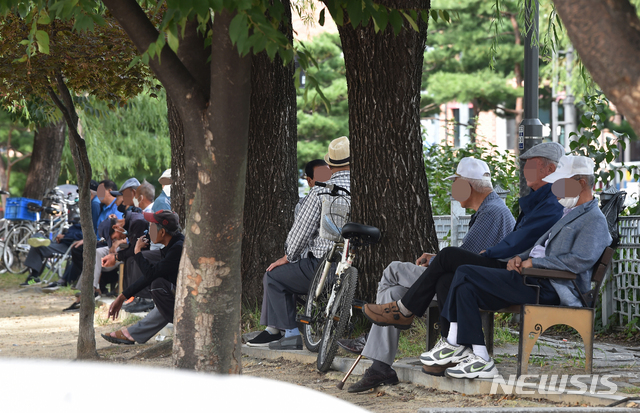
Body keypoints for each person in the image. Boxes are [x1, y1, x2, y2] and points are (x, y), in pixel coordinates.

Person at [360, 142, 565, 388]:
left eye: (532, 166)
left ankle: (402, 313)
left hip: (511, 274)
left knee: (404, 267)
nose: (525, 171)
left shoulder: (505, 208)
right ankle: (389, 359)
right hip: (501, 270)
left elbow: (499, 247)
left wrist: (452, 257)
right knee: (428, 280)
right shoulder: (528, 202)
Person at [416, 155, 611, 379]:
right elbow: (543, 246)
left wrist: (534, 263)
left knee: (465, 271)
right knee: (463, 286)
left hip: (548, 285)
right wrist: (520, 257)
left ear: (581, 182)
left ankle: (452, 341)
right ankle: (481, 357)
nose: (556, 189)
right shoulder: (570, 212)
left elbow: (579, 260)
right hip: (531, 277)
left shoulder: (594, 219)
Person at [341, 157, 515, 393]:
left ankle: (390, 321)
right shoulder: (490, 210)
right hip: (461, 281)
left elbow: (462, 260)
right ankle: (381, 365)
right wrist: (436, 260)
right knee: (393, 292)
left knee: (393, 269)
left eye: (456, 184)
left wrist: (436, 261)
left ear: (468, 186)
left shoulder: (492, 212)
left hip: (467, 284)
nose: (454, 191)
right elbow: (465, 257)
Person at [247, 137, 351, 350]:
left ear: (330, 166)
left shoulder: (321, 190)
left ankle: (291, 334)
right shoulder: (370, 188)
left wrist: (288, 257)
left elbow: (300, 233)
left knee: (274, 276)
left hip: (325, 265)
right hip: (354, 263)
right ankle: (273, 330)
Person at [102, 210, 184, 345]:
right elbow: (150, 275)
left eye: (151, 227)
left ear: (162, 232)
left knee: (158, 284)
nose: (148, 230)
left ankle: (182, 326)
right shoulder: (172, 245)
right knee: (158, 283)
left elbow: (151, 275)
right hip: (180, 293)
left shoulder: (177, 248)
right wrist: (122, 297)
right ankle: (132, 333)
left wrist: (137, 252)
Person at [63, 217, 128, 311]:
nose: (114, 239)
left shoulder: (133, 220)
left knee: (94, 252)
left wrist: (118, 242)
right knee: (93, 253)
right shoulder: (119, 221)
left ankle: (88, 292)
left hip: (126, 247)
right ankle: (89, 290)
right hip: (117, 247)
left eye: (113, 238)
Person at [20, 218, 83, 287]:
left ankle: (34, 276)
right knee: (37, 237)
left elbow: (82, 236)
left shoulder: (90, 225)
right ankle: (39, 238)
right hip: (60, 244)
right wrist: (62, 235)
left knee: (38, 245)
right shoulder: (77, 224)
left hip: (69, 247)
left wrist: (64, 236)